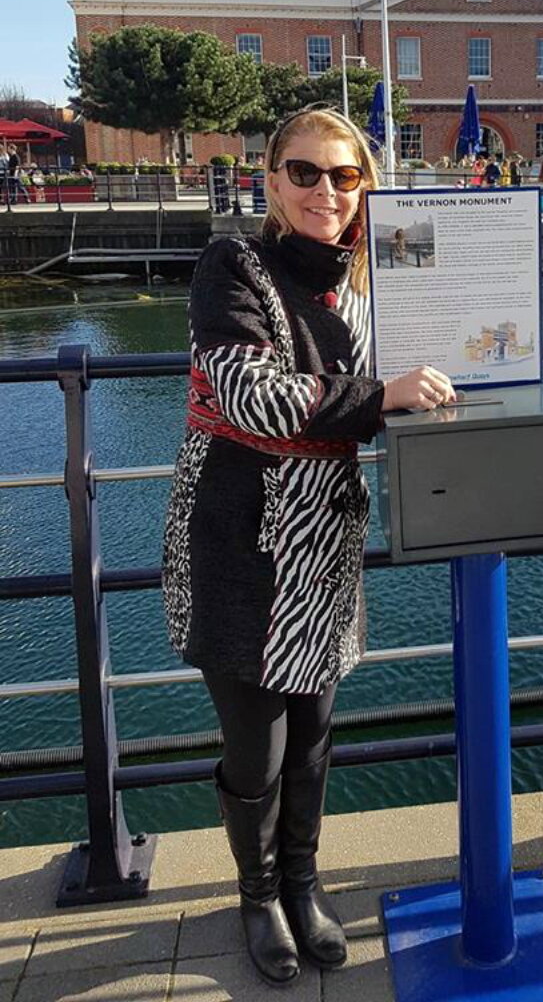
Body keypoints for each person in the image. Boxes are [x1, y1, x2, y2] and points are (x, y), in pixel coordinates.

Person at [161, 106, 455, 985]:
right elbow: (252, 397)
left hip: (322, 545)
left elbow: (413, 370)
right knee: (258, 745)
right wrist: (379, 396)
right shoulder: (232, 266)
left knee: (318, 733)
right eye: (304, 172)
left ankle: (303, 882)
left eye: (344, 175)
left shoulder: (365, 286)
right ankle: (257, 897)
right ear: (271, 181)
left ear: (365, 186)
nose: (324, 191)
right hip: (238, 546)